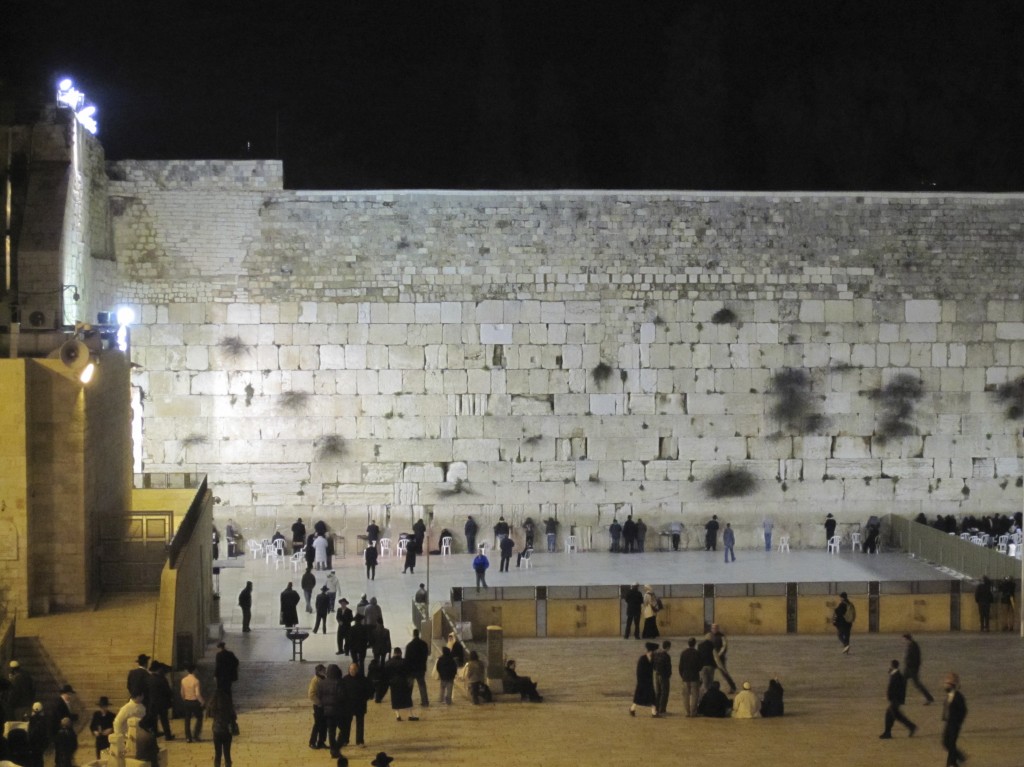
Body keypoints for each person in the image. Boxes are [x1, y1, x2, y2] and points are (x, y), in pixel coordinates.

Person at [879, 659, 916, 739]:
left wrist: (894, 699)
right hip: (895, 700)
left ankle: (888, 732)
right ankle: (888, 732)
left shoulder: (897, 676)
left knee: (893, 715)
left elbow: (896, 688)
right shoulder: (896, 674)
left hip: (895, 700)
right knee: (894, 715)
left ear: (892, 666)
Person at [339, 663, 373, 748]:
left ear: (357, 670)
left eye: (354, 669)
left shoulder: (363, 679)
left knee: (360, 724)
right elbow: (341, 692)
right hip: (348, 706)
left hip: (360, 705)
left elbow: (370, 690)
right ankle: (345, 740)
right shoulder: (345, 679)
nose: (352, 671)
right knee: (347, 724)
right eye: (350, 669)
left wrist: (366, 698)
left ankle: (360, 741)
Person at [941, 672, 968, 767]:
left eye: (947, 684)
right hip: (948, 722)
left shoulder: (958, 697)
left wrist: (958, 722)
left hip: (954, 724)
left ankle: (951, 763)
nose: (945, 686)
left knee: (951, 744)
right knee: (945, 742)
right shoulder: (949, 695)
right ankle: (959, 757)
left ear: (952, 686)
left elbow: (964, 710)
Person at [206, 688, 237, 767]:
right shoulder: (228, 704)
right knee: (227, 755)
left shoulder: (213, 705)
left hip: (217, 730)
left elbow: (209, 714)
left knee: (218, 755)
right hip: (226, 730)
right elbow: (234, 716)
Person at [385, 648, 418, 721]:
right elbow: (410, 671)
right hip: (403, 682)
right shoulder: (404, 662)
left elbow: (385, 673)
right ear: (400, 653)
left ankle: (398, 715)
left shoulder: (388, 662)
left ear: (394, 653)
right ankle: (410, 715)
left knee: (395, 699)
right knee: (407, 699)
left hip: (393, 683)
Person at [902, 633, 934, 704]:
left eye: (904, 639)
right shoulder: (911, 645)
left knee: (917, 684)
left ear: (906, 639)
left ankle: (929, 698)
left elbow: (916, 658)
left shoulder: (913, 646)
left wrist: (912, 666)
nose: (903, 641)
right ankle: (901, 699)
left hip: (912, 669)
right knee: (903, 682)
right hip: (908, 668)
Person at [146, 661, 175, 739]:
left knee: (154, 719)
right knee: (164, 720)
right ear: (158, 670)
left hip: (152, 703)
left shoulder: (149, 679)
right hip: (162, 703)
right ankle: (168, 735)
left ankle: (155, 733)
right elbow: (167, 691)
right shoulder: (161, 679)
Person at [629, 643, 658, 717]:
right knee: (639, 697)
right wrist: (641, 682)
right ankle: (632, 709)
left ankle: (654, 712)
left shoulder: (652, 658)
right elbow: (639, 672)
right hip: (643, 682)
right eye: (655, 651)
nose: (656, 653)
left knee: (651, 696)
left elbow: (654, 668)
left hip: (649, 681)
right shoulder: (642, 659)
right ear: (651, 651)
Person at [405, 629, 431, 707]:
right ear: (418, 634)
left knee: (409, 686)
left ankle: (407, 702)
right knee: (422, 685)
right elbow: (426, 655)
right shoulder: (424, 644)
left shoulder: (409, 645)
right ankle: (425, 702)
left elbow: (407, 658)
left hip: (411, 669)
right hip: (420, 668)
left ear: (413, 634)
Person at [180, 663, 205, 743]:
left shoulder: (183, 680)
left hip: (187, 701)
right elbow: (197, 694)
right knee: (199, 717)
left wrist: (184, 699)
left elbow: (182, 692)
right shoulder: (196, 681)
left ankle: (188, 737)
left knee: (187, 719)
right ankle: (196, 735)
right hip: (195, 702)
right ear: (194, 670)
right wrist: (202, 701)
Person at [678, 637, 701, 717]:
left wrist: (682, 675)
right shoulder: (697, 653)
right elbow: (700, 666)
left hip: (685, 677)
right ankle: (693, 712)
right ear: (695, 644)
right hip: (694, 676)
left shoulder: (683, 653)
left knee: (686, 695)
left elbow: (680, 666)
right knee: (695, 695)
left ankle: (687, 712)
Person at [710, 623, 737, 693]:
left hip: (719, 658)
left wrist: (719, 654)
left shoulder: (722, 636)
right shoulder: (710, 636)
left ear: (718, 628)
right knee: (707, 672)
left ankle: (733, 687)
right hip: (711, 657)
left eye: (715, 628)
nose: (714, 629)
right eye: (713, 628)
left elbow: (724, 646)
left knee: (724, 673)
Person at [307, 664, 327, 750]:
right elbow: (311, 694)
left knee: (324, 725)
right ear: (319, 672)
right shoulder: (315, 680)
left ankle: (321, 742)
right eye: (323, 671)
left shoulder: (324, 678)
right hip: (318, 706)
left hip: (324, 706)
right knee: (318, 724)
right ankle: (312, 742)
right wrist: (319, 703)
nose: (325, 672)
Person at [652, 640, 671, 715]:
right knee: (664, 693)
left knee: (658, 692)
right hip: (664, 676)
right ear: (668, 647)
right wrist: (669, 674)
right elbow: (668, 667)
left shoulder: (657, 654)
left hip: (657, 674)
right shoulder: (666, 656)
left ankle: (657, 708)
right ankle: (662, 709)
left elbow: (653, 664)